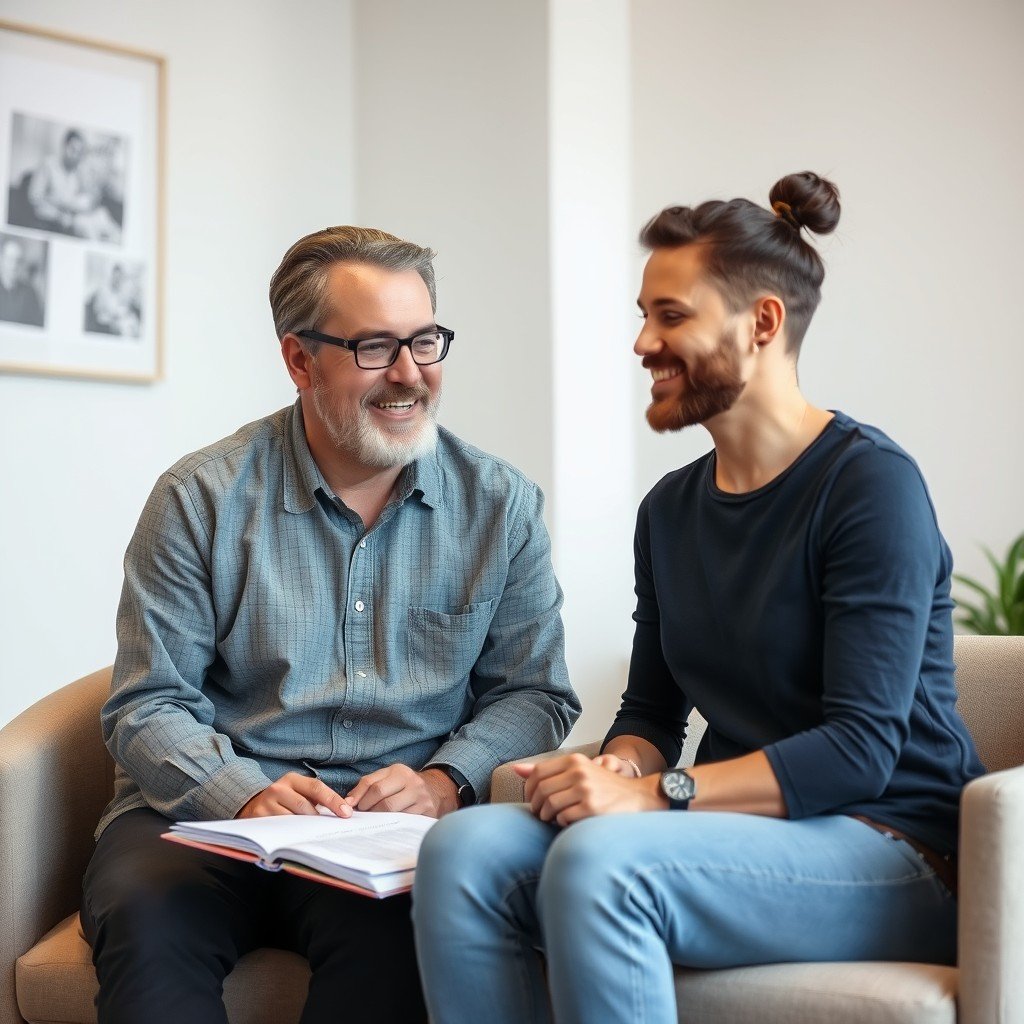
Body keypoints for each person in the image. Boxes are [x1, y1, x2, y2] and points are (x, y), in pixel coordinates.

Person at [412, 172, 985, 1024]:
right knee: (460, 847)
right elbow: (650, 711)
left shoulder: (870, 486)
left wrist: (653, 797)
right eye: (642, 315)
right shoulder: (671, 511)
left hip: (893, 844)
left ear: (761, 322)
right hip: (733, 837)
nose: (643, 342)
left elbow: (862, 749)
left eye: (670, 315)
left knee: (603, 863)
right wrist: (614, 767)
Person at [82, 225, 580, 1024]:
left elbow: (535, 693)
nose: (411, 374)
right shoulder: (198, 499)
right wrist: (242, 794)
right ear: (299, 360)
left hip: (384, 839)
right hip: (203, 818)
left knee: (404, 950)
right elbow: (147, 705)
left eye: (425, 341)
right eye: (376, 347)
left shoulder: (501, 506)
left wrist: (445, 781)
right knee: (146, 924)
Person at [0, 235, 44, 327]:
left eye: (18, 260)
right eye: (10, 259)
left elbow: (38, 327)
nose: (14, 265)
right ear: (2, 259)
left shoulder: (30, 293)